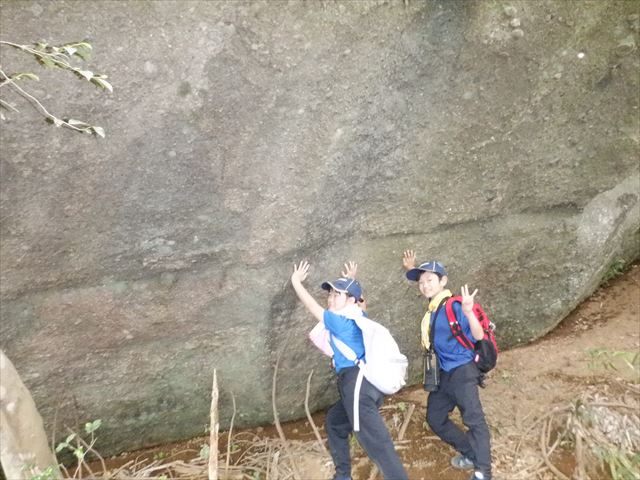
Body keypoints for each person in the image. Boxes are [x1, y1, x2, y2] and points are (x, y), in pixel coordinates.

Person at [290, 260, 408, 480]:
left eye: (338, 295)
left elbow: (312, 306)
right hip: (362, 384)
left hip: (357, 385)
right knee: (335, 421)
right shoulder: (357, 315)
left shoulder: (340, 322)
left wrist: (296, 282)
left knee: (377, 443)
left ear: (351, 300)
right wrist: (351, 280)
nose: (331, 298)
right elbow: (360, 304)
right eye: (331, 294)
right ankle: (343, 475)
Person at [402, 250, 492, 480]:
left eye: (430, 280)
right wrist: (411, 268)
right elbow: (426, 289)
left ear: (443, 281)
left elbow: (479, 334)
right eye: (421, 282)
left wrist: (469, 313)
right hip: (444, 374)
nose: (424, 286)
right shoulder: (434, 308)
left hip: (463, 370)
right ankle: (472, 454)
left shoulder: (454, 305)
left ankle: (484, 473)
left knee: (474, 420)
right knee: (435, 417)